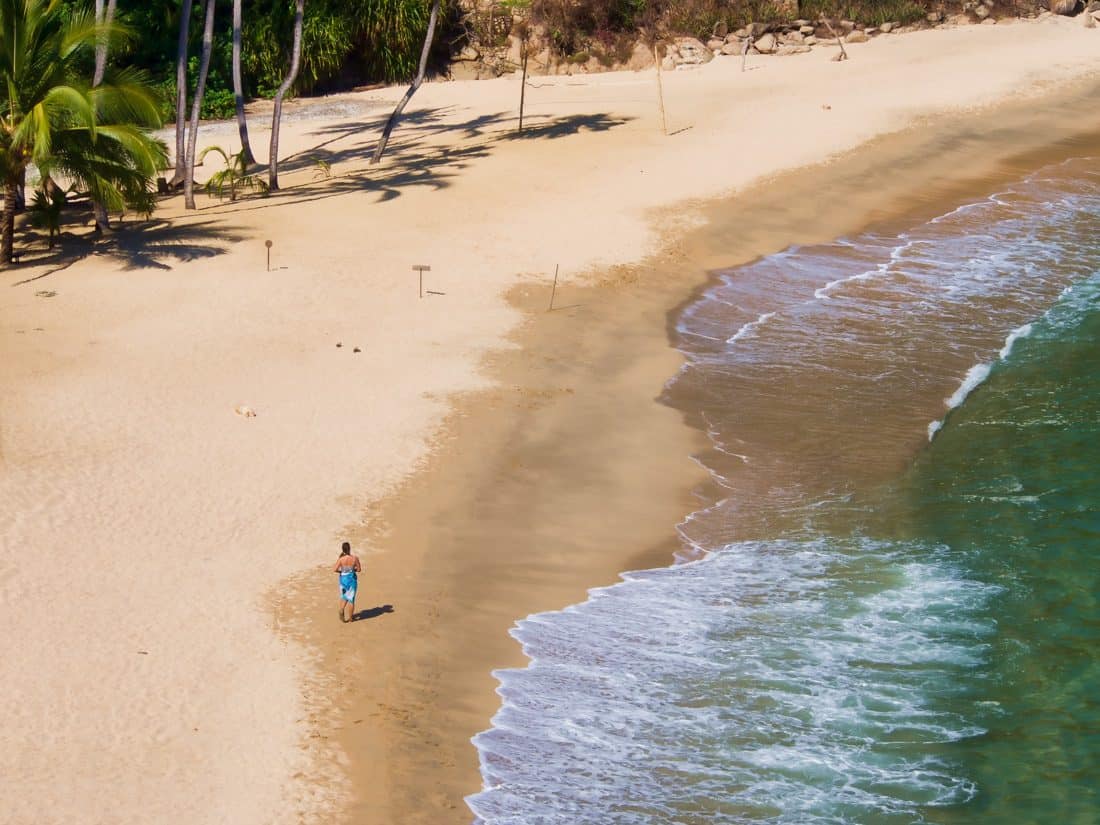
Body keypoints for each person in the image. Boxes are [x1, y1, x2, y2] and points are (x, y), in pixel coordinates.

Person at [333, 541, 361, 623]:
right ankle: (351, 619)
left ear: (343, 549)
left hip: (343, 580)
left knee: (344, 596)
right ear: (349, 549)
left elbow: (334, 569)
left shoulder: (341, 559)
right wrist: (352, 570)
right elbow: (359, 569)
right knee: (351, 599)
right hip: (351, 580)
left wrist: (342, 572)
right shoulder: (355, 558)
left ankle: (341, 609)